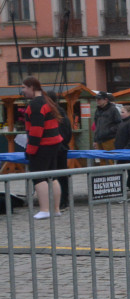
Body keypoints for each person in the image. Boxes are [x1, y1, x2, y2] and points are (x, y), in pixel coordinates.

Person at [21, 77, 63, 219]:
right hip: (54, 143)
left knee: (38, 177)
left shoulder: (35, 105)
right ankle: (56, 209)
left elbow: (36, 130)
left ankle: (45, 210)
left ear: (32, 87)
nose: (23, 91)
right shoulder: (47, 101)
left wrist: (30, 150)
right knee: (53, 176)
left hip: (43, 145)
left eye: (24, 87)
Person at [48, 90, 73, 209]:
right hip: (62, 148)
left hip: (55, 148)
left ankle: (61, 201)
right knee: (61, 175)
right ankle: (63, 200)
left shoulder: (53, 115)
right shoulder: (63, 114)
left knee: (56, 176)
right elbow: (69, 133)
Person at [114, 104, 130, 190]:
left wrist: (127, 148)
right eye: (120, 112)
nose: (121, 114)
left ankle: (127, 184)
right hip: (123, 149)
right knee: (128, 168)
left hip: (127, 150)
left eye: (123, 112)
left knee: (123, 167)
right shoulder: (124, 122)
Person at [92, 91, 121, 165]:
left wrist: (109, 131)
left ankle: (114, 175)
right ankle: (104, 175)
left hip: (110, 139)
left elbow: (119, 124)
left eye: (99, 99)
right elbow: (96, 126)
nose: (97, 101)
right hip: (99, 140)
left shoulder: (113, 109)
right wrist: (95, 140)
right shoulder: (97, 110)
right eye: (96, 99)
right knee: (102, 160)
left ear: (106, 100)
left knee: (111, 159)